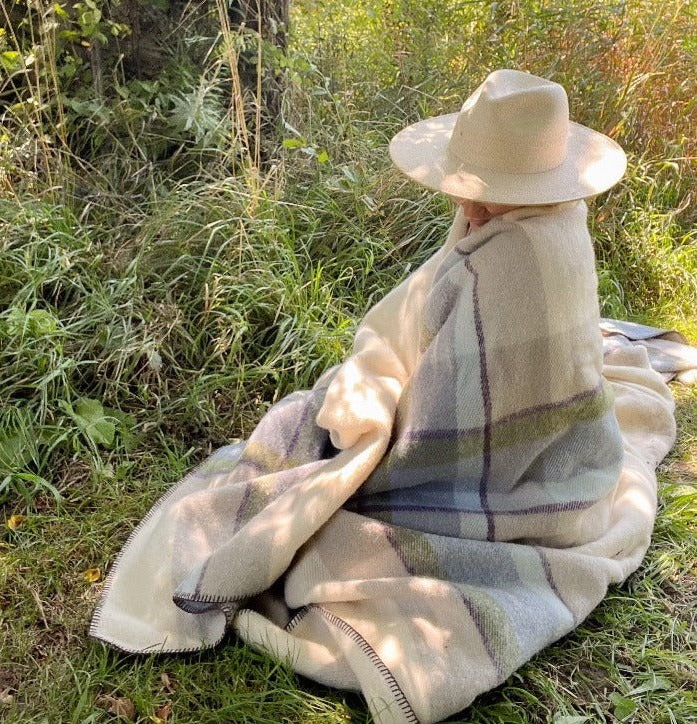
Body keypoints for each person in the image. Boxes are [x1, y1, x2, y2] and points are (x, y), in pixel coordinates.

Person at [91, 70, 680, 724]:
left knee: (312, 460)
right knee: (313, 411)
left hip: (530, 470)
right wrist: (376, 381)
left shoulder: (526, 252)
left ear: (543, 191)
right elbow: (424, 318)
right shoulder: (529, 220)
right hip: (545, 433)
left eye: (499, 196)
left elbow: (479, 401)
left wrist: (384, 443)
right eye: (472, 192)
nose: (476, 210)